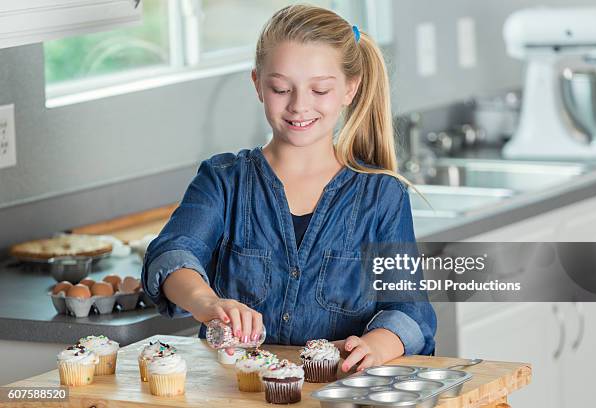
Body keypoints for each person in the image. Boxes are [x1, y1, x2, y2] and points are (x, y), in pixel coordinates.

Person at [142, 4, 436, 373]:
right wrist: (208, 303)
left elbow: (410, 309)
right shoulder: (223, 180)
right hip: (235, 394)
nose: (299, 106)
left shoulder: (382, 195)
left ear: (349, 88)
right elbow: (171, 255)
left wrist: (376, 345)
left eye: (319, 89)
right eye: (281, 88)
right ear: (258, 85)